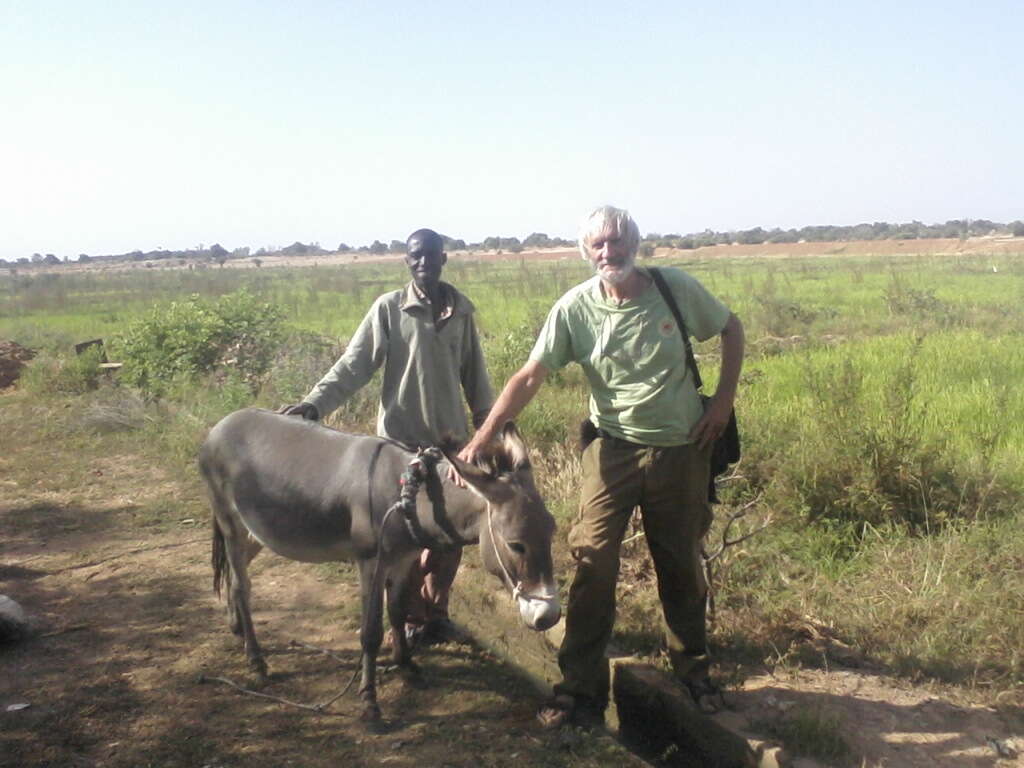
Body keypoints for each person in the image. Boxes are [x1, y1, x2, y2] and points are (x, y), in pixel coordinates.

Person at [458, 205, 744, 728]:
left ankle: (693, 671)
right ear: (586, 252)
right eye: (598, 246)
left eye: (616, 241)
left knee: (679, 562)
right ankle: (579, 688)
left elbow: (730, 329)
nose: (608, 252)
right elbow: (530, 376)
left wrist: (721, 405)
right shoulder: (575, 309)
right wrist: (482, 437)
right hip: (609, 452)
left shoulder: (673, 288)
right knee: (592, 563)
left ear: (634, 242)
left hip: (680, 450)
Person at [282, 228, 493, 646]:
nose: (423, 263)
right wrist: (314, 405)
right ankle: (409, 619)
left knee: (450, 539)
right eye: (416, 256)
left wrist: (490, 433)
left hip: (451, 451)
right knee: (401, 540)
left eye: (431, 255)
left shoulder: (461, 312)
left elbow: (477, 379)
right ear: (407, 261)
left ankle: (437, 614)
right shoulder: (390, 309)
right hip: (399, 449)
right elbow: (354, 365)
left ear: (443, 259)